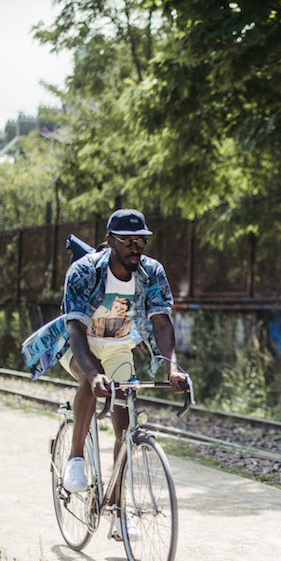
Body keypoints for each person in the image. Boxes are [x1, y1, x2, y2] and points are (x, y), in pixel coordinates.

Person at [57, 208, 186, 539]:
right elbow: (73, 328)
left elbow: (160, 320)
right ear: (109, 241)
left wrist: (171, 364)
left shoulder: (151, 272)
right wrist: (93, 373)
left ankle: (115, 506)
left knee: (125, 423)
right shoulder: (85, 271)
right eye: (127, 240)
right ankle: (75, 459)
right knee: (93, 376)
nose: (135, 246)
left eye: (140, 240)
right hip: (78, 344)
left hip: (118, 347)